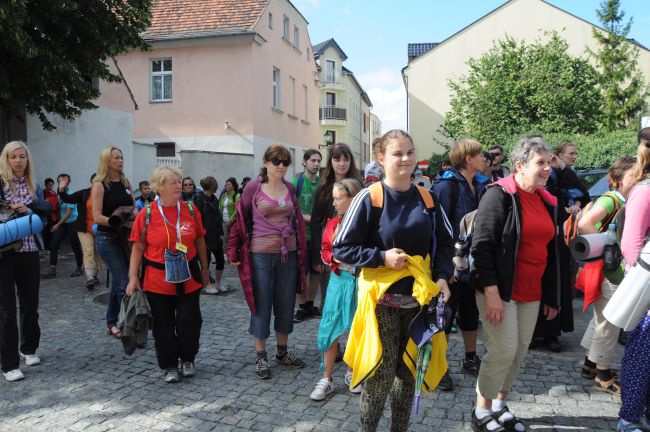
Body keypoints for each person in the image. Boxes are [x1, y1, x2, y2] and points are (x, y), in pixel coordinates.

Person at [333, 130, 453, 432]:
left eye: (410, 152)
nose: (406, 158)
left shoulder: (428, 198)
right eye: (398, 153)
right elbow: (341, 248)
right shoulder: (369, 197)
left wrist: (442, 278)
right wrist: (381, 258)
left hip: (418, 301)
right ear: (381, 158)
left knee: (408, 371)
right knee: (381, 373)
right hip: (381, 302)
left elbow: (445, 243)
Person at [470, 136, 560, 432]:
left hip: (531, 292)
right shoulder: (499, 195)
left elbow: (551, 252)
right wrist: (492, 293)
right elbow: (481, 247)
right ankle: (481, 411)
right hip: (500, 290)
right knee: (503, 350)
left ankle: (499, 404)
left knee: (520, 351)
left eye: (549, 162)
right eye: (540, 163)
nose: (547, 168)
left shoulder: (546, 200)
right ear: (519, 166)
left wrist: (552, 296)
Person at [227, 144, 307, 379]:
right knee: (261, 304)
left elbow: (297, 222)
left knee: (285, 302)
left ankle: (282, 352)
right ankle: (261, 356)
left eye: (285, 162)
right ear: (266, 162)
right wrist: (233, 251)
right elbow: (239, 221)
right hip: (259, 254)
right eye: (276, 162)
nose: (281, 166)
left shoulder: (290, 188)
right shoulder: (253, 188)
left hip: (288, 254)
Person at [127, 165, 209, 383]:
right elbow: (137, 247)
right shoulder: (147, 213)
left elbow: (200, 241)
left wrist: (205, 269)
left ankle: (188, 358)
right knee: (163, 325)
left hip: (188, 277)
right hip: (157, 281)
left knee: (189, 320)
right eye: (172, 183)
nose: (178, 186)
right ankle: (169, 365)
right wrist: (133, 277)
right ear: (159, 187)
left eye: (179, 182)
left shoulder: (191, 210)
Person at [577, 156, 635, 395]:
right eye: (634, 175)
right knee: (609, 322)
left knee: (601, 317)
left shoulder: (621, 199)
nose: (639, 179)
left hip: (605, 269)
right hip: (609, 270)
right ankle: (603, 374)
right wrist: (609, 250)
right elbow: (585, 223)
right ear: (617, 179)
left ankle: (590, 364)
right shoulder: (613, 199)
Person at [432, 138, 484, 391]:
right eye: (480, 154)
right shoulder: (446, 186)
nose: (484, 158)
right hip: (453, 263)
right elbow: (440, 229)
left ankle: (470, 358)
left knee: (471, 311)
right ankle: (439, 366)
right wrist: (447, 266)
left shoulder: (480, 185)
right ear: (467, 159)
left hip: (473, 262)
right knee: (446, 314)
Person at [0, 141, 51, 382]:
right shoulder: (0, 185)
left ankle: (28, 349)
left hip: (29, 250)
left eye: (22, 156)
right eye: (13, 157)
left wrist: (29, 211)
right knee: (6, 310)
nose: (18, 161)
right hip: (4, 252)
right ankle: (8, 364)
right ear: (6, 159)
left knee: (31, 304)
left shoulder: (35, 186)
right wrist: (10, 211)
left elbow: (44, 219)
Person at [531, 141, 589, 352]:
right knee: (537, 283)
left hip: (558, 240)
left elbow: (583, 194)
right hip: (539, 237)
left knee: (557, 284)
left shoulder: (562, 173)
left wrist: (562, 168)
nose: (574, 156)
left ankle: (552, 333)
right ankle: (535, 333)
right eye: (570, 153)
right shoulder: (539, 176)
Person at [310, 178, 363, 401]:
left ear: (353, 199)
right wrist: (335, 258)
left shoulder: (367, 225)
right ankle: (327, 378)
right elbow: (324, 249)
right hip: (338, 279)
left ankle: (352, 373)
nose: (334, 203)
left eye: (338, 199)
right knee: (330, 326)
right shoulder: (333, 223)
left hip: (359, 282)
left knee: (355, 328)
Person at [616, 128, 650, 432]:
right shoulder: (645, 190)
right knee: (643, 351)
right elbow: (631, 246)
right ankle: (629, 417)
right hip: (648, 287)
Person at [305, 143, 362, 319]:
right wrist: (317, 256)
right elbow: (315, 223)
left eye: (346, 159)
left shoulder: (359, 186)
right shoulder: (322, 189)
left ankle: (350, 343)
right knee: (330, 299)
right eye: (337, 159)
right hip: (330, 250)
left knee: (353, 300)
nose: (342, 163)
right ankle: (331, 343)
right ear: (331, 161)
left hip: (354, 250)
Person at [92, 146, 135, 339]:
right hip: (107, 238)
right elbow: (96, 216)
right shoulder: (100, 184)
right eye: (116, 158)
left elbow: (133, 208)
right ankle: (130, 325)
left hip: (124, 238)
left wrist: (132, 217)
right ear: (107, 161)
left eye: (121, 157)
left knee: (120, 279)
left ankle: (111, 322)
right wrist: (115, 220)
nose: (120, 161)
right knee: (124, 281)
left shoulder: (126, 182)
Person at [292, 149, 324, 323]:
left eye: (319, 160)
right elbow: (290, 207)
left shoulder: (322, 184)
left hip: (318, 235)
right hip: (300, 235)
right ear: (304, 162)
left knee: (316, 271)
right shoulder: (296, 182)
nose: (317, 164)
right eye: (313, 160)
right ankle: (302, 305)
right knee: (301, 272)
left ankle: (310, 304)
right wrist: (304, 217)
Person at [57, 173, 103, 290]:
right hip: (84, 228)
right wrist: (61, 189)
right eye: (95, 182)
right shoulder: (84, 193)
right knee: (88, 252)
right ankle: (89, 278)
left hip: (100, 229)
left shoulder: (106, 195)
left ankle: (95, 275)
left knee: (97, 253)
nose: (97, 185)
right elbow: (67, 198)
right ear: (91, 183)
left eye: (100, 182)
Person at [41, 173, 84, 279]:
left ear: (69, 182)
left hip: (72, 222)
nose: (62, 183)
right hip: (63, 222)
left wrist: (57, 225)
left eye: (65, 181)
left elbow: (69, 213)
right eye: (60, 181)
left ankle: (80, 267)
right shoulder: (59, 193)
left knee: (75, 246)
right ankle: (52, 269)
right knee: (53, 244)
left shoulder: (70, 194)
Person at [194, 176, 226, 294]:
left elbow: (218, 218)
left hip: (216, 235)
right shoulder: (199, 199)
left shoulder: (214, 199)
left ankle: (217, 283)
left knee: (220, 260)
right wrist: (200, 235)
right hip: (204, 236)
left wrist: (221, 233)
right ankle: (207, 285)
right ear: (213, 186)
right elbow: (197, 219)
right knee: (205, 262)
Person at [219, 177, 240, 255]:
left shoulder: (237, 196)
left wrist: (231, 219)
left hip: (232, 221)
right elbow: (220, 206)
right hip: (224, 221)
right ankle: (225, 254)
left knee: (232, 239)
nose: (226, 186)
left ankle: (232, 254)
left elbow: (237, 210)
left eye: (228, 184)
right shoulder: (224, 195)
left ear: (233, 186)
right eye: (226, 184)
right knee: (224, 238)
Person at [42, 178, 58, 250]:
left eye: (52, 185)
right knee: (48, 230)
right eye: (49, 185)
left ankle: (53, 244)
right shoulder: (44, 192)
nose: (51, 186)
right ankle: (47, 245)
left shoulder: (53, 192)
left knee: (54, 230)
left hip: (54, 213)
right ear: (46, 185)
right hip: (48, 213)